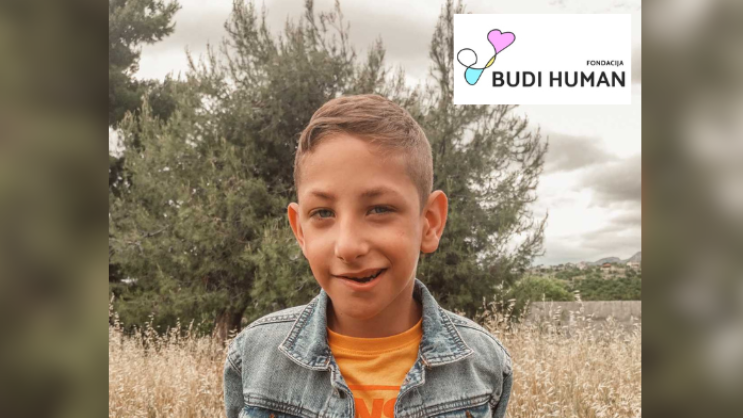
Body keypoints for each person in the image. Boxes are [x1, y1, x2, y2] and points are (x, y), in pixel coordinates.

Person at [224, 94, 513, 418]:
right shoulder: (254, 358)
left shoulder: (484, 365)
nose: (348, 247)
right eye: (323, 213)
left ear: (429, 223)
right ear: (300, 231)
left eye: (379, 209)